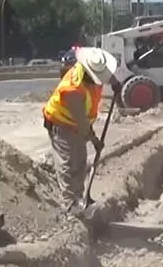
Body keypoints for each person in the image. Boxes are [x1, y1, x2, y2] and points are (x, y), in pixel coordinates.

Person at [43, 46, 120, 207]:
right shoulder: (74, 89)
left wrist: (115, 82)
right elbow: (83, 125)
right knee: (69, 164)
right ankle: (70, 204)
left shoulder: (93, 69)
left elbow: (104, 72)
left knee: (81, 163)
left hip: (76, 125)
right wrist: (95, 141)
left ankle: (80, 198)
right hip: (61, 125)